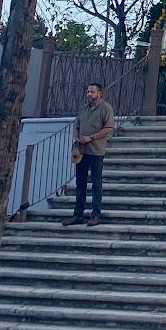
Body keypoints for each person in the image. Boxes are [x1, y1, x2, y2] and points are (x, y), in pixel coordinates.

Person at [63, 80, 115, 229]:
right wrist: (77, 137)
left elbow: (109, 127)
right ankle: (78, 214)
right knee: (80, 183)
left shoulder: (106, 108)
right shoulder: (83, 108)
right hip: (82, 151)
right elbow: (77, 124)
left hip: (96, 151)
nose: (89, 94)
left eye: (92, 92)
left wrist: (91, 137)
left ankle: (95, 214)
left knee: (96, 183)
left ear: (100, 93)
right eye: (88, 91)